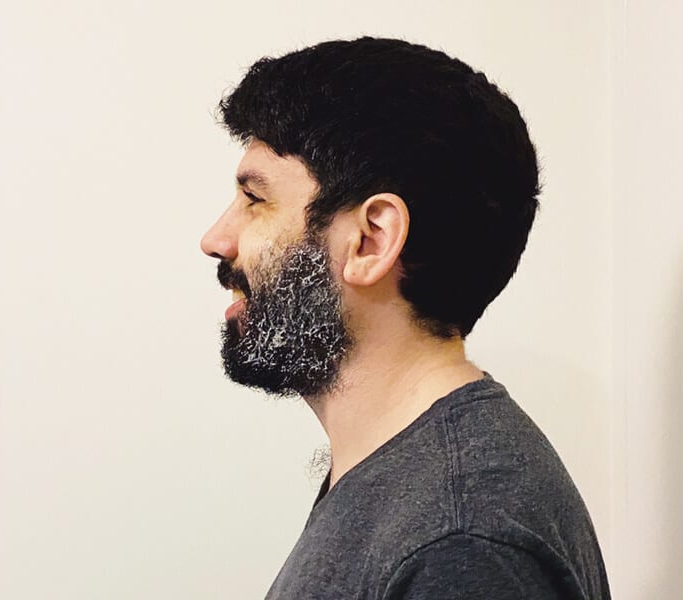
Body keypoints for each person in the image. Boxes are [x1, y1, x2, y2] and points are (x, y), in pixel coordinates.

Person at [200, 36, 610, 600]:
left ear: (371, 240)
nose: (216, 240)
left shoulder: (459, 540)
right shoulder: (410, 487)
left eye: (255, 198)